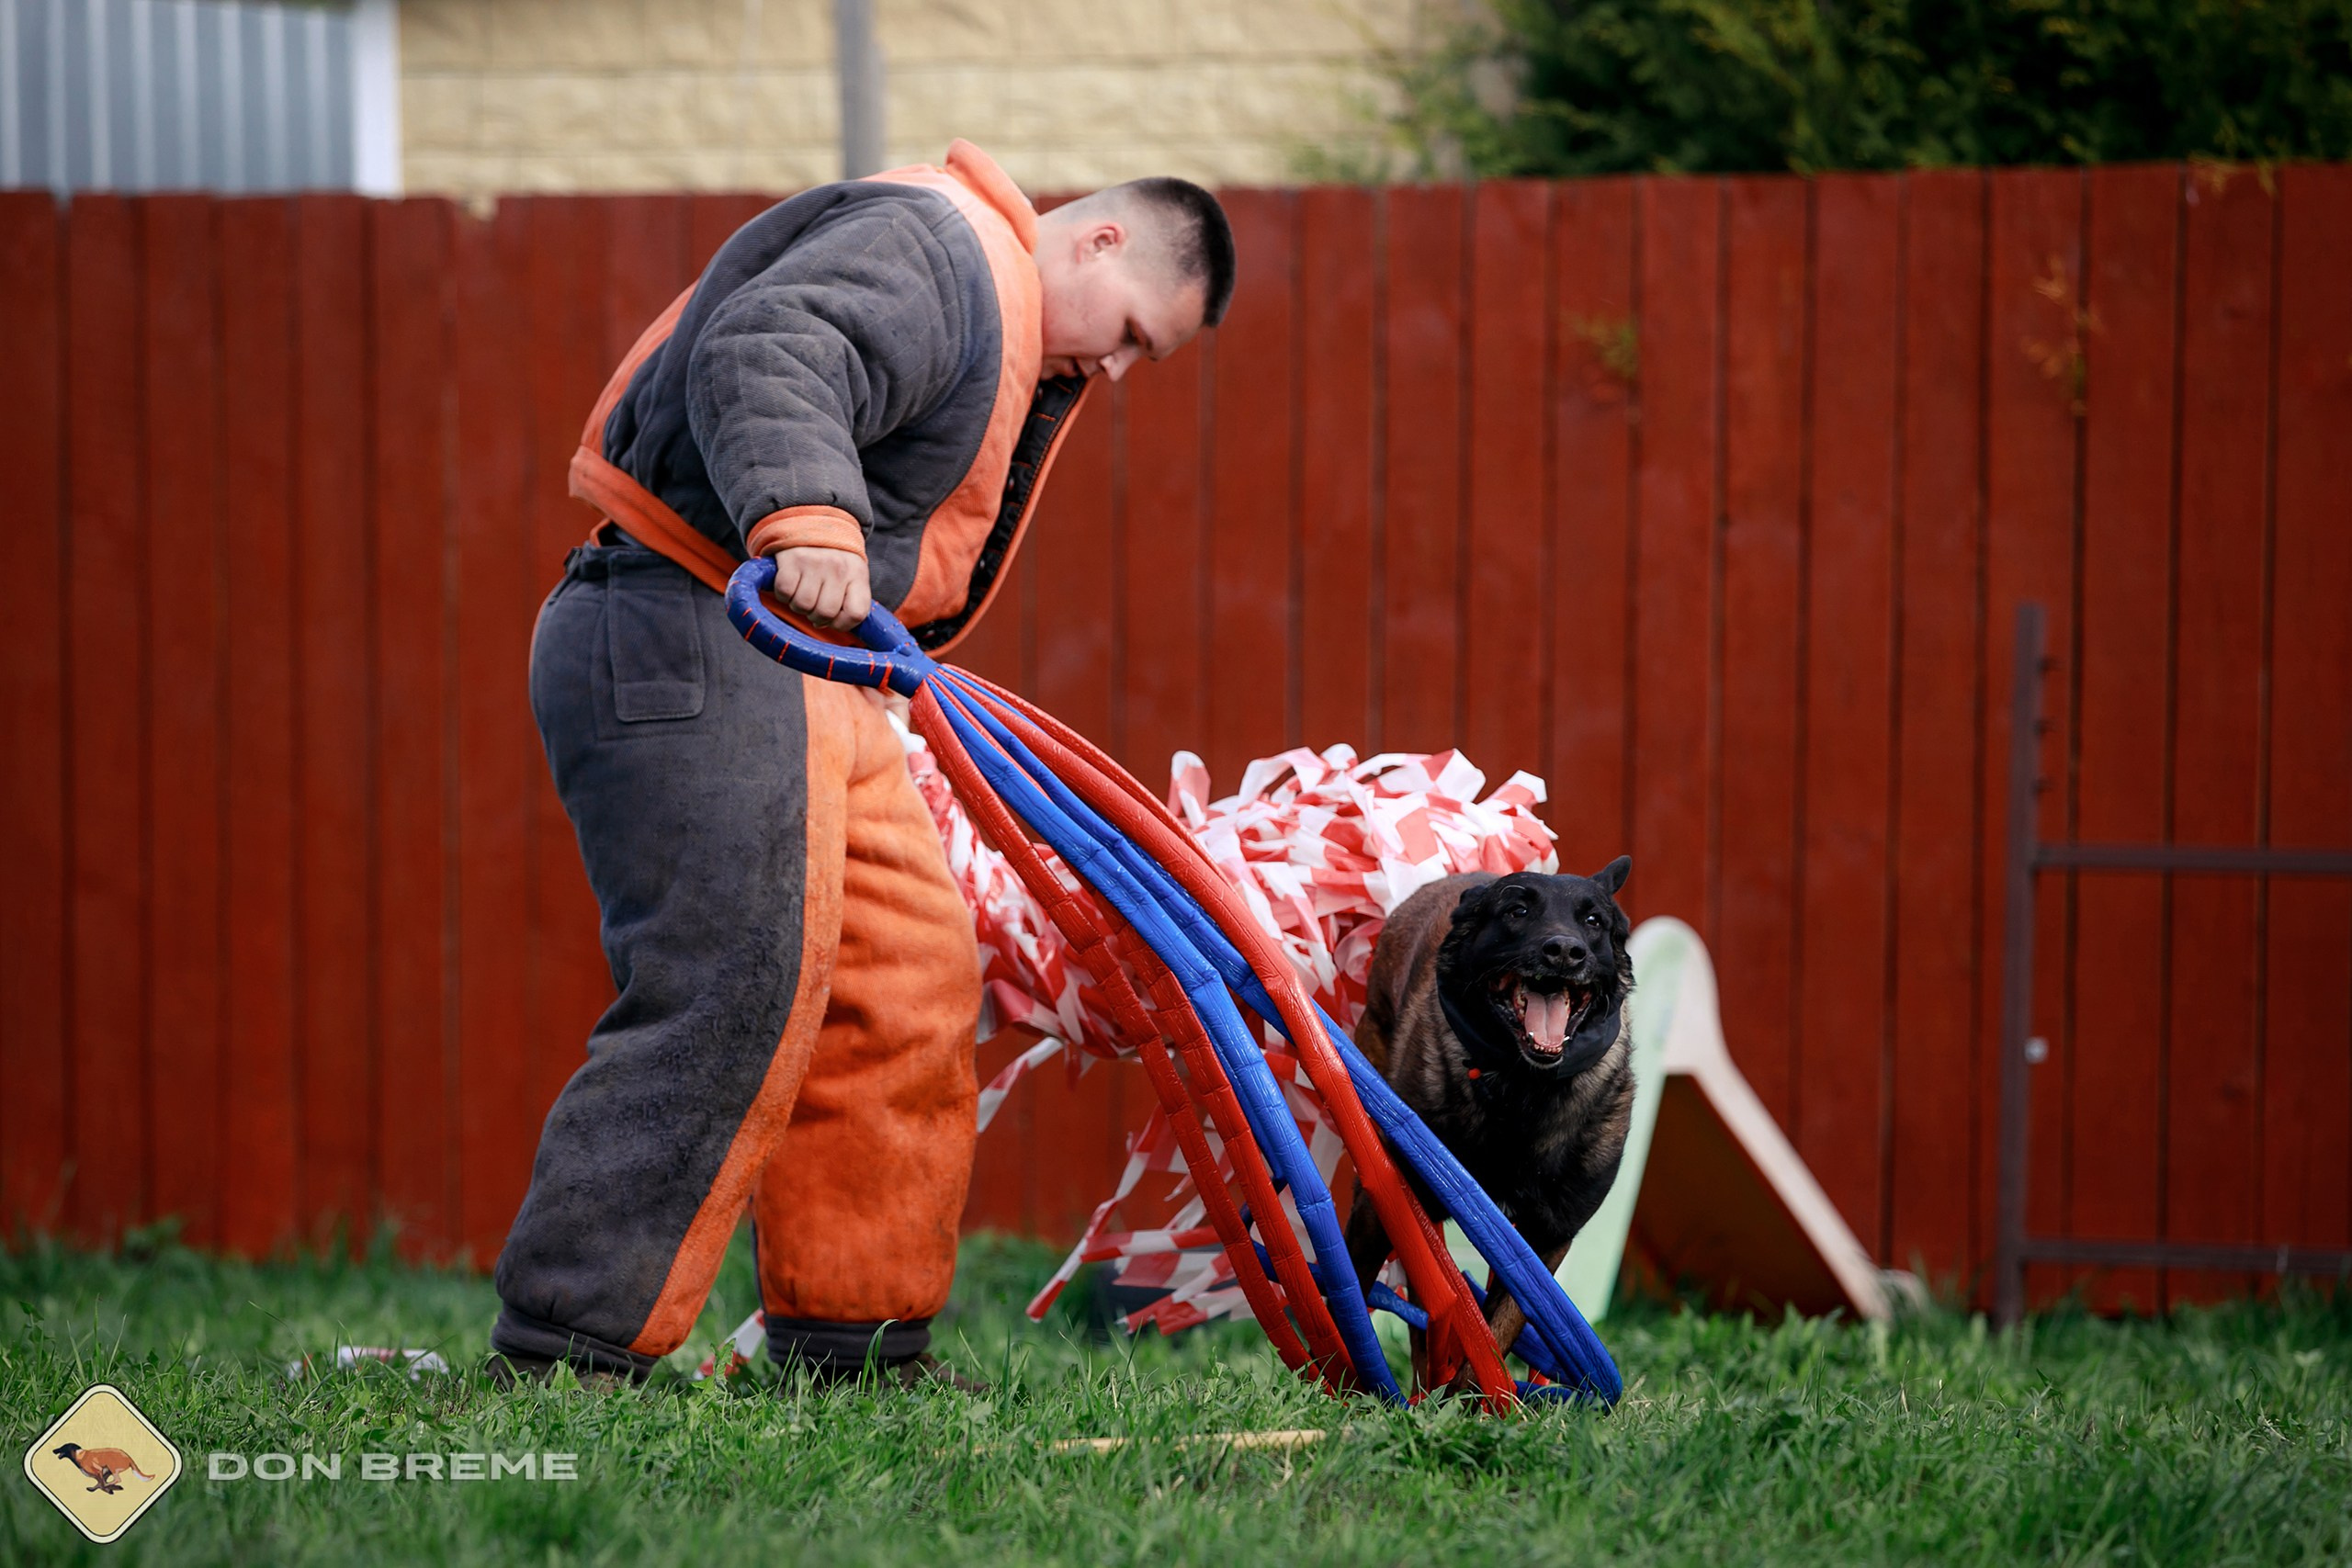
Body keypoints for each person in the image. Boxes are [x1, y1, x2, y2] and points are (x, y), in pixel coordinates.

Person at [486, 141, 1235, 1392]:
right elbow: (775, 341)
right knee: (732, 985)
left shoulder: (987, 291)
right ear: (1099, 243)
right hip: (688, 621)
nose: (1113, 368)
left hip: (800, 665)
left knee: (908, 977)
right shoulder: (938, 248)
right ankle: (569, 1352)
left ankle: (854, 1343)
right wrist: (810, 515)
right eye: (1134, 337)